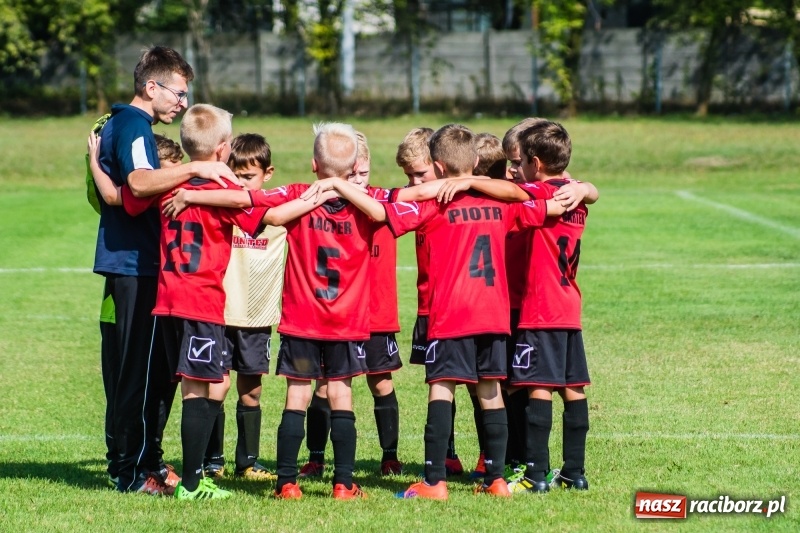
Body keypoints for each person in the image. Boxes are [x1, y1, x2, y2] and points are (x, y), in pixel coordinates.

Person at [302, 124, 566, 500]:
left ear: (438, 167)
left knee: (441, 390)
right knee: (490, 392)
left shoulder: (432, 206)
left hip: (450, 315)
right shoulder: (502, 205)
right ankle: (495, 480)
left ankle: (433, 482)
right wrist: (583, 188)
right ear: (476, 161)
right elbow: (549, 205)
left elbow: (380, 211)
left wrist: (338, 185)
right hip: (492, 316)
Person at [92, 45, 240, 495]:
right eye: (178, 92)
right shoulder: (135, 126)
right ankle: (135, 473)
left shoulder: (123, 123)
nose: (182, 101)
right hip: (137, 266)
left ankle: (137, 463)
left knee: (141, 372)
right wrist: (197, 167)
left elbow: (122, 193)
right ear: (150, 87)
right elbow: (138, 183)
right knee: (139, 374)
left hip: (130, 263)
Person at [120, 103, 275, 500]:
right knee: (199, 388)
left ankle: (195, 475)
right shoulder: (223, 189)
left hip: (168, 300)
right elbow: (259, 213)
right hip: (200, 301)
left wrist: (98, 165)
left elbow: (127, 195)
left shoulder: (167, 184)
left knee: (200, 384)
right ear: (223, 150)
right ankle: (192, 483)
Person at [299, 131, 404, 478]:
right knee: (326, 386)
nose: (357, 181)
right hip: (338, 315)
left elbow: (418, 196)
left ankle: (389, 456)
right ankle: (315, 457)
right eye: (352, 175)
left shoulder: (382, 204)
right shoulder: (322, 205)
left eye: (364, 174)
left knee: (381, 382)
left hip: (376, 313)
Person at [503, 120, 592, 493]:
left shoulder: (537, 197)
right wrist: (586, 186)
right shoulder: (576, 198)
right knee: (573, 388)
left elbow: (510, 196)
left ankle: (535, 475)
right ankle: (575, 472)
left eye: (521, 161)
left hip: (540, 309)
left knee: (538, 387)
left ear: (535, 164)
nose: (516, 168)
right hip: (569, 307)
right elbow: (579, 185)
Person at [200, 134, 285, 482]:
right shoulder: (223, 210)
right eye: (235, 175)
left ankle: (248, 462)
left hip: (258, 316)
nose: (240, 183)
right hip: (220, 313)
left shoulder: (280, 218)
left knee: (251, 390)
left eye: (248, 177)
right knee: (215, 387)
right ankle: (212, 460)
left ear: (268, 174)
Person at [393, 127, 464, 477]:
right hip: (428, 304)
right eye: (407, 176)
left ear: (440, 166)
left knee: (478, 383)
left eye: (419, 174)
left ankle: (489, 459)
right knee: (441, 383)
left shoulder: (453, 199)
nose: (412, 183)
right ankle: (448, 454)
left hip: (457, 307)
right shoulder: (418, 199)